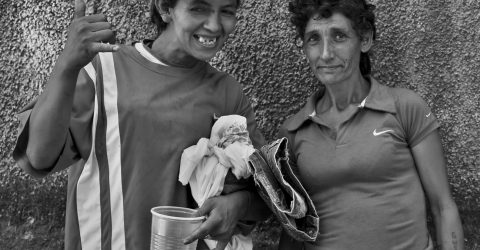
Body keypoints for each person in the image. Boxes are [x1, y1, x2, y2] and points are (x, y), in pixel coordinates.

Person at [12, 0, 269, 249]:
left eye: (226, 11)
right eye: (198, 8)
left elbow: (267, 195)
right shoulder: (103, 69)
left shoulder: (228, 94)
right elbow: (38, 158)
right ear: (165, 8)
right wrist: (67, 65)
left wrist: (238, 205)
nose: (214, 25)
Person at [278, 0, 465, 249]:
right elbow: (293, 228)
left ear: (365, 39)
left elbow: (443, 207)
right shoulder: (292, 131)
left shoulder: (405, 108)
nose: (325, 53)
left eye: (339, 36)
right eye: (313, 39)